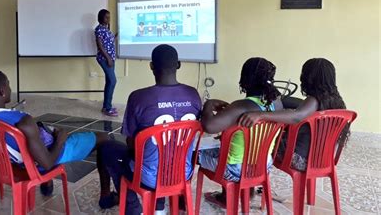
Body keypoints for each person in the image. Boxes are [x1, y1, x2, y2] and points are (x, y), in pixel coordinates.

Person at [97, 44, 202, 214]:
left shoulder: (138, 97)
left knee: (106, 149)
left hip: (150, 178)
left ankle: (132, 207)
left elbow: (131, 143)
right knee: (161, 152)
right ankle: (159, 206)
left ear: (151, 66)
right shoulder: (193, 94)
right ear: (179, 64)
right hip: (183, 173)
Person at [0, 69, 110, 197]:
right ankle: (106, 195)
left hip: (15, 161)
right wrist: (60, 140)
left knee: (41, 136)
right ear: (2, 91)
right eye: (8, 84)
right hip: (38, 162)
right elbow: (47, 163)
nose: (10, 88)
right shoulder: (23, 121)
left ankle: (47, 182)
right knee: (104, 138)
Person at [239, 58, 349, 171]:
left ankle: (251, 176)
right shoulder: (337, 101)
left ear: (310, 77)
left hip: (300, 160)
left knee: (263, 140)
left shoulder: (313, 100)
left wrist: (261, 115)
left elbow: (297, 116)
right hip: (322, 159)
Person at [200, 57, 283, 207]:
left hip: (235, 170)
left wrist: (208, 104)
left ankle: (181, 200)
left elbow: (209, 126)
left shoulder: (241, 106)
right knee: (225, 147)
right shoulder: (277, 103)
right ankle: (241, 193)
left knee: (194, 153)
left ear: (245, 79)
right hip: (263, 165)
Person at [95, 9, 118, 117]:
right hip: (105, 59)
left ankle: (106, 106)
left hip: (111, 58)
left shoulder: (106, 29)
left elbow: (109, 40)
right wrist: (108, 58)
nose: (108, 19)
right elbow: (100, 46)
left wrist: (116, 36)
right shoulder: (99, 29)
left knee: (109, 82)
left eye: (109, 17)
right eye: (106, 17)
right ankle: (107, 108)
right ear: (100, 18)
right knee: (113, 81)